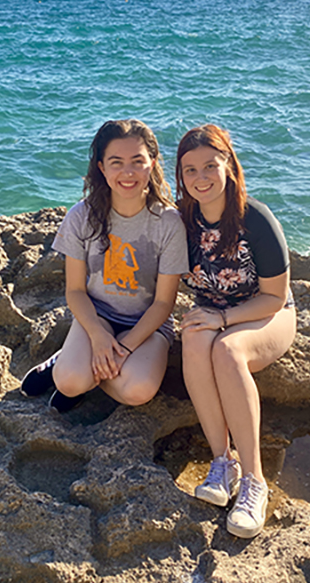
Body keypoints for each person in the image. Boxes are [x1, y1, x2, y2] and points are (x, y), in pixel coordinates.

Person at [176, 124, 296, 538]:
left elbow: (274, 297)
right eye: (190, 170)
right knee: (192, 337)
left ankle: (254, 483)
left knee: (227, 350)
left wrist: (224, 319)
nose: (201, 177)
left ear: (229, 166)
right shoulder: (182, 222)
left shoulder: (255, 218)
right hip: (213, 314)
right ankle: (222, 463)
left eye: (211, 165)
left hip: (267, 313)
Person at [22, 119, 188, 411]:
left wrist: (123, 349)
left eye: (138, 161)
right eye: (116, 162)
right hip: (96, 318)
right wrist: (99, 339)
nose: (128, 172)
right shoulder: (81, 216)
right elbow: (74, 291)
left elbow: (164, 303)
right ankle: (66, 364)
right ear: (101, 167)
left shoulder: (170, 223)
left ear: (153, 163)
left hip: (147, 324)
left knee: (139, 391)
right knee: (70, 382)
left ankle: (90, 371)